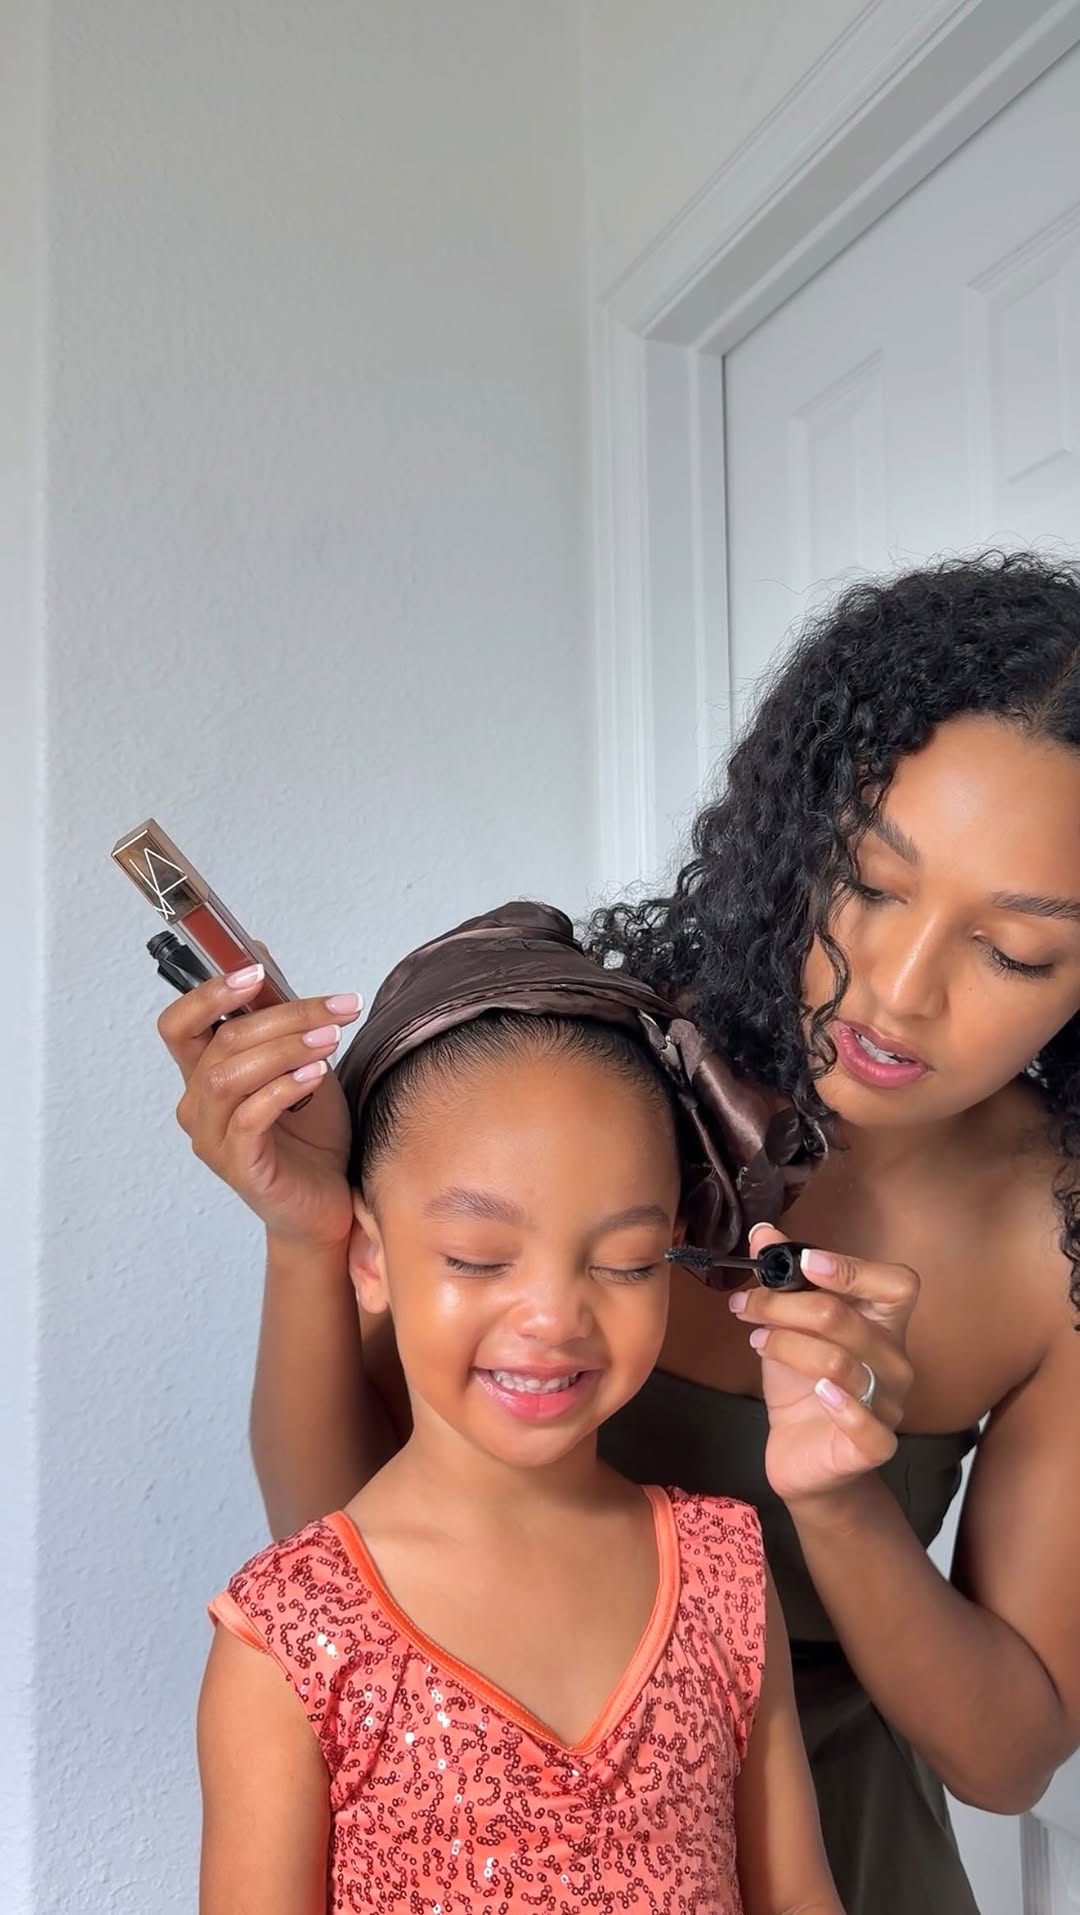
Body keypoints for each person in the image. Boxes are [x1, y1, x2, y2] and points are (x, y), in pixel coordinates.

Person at [164, 552, 1080, 1915]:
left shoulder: (1057, 1240)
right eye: (870, 882)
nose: (898, 991)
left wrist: (840, 1504)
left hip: (852, 1852)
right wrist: (307, 1239)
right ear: (798, 828)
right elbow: (346, 1574)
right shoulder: (590, 1073)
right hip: (488, 1841)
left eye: (1013, 951)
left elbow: (1008, 1758)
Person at [196, 904, 842, 1915]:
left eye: (624, 1262)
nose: (554, 1317)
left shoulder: (724, 1572)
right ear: (369, 1256)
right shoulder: (290, 1633)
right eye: (479, 1258)